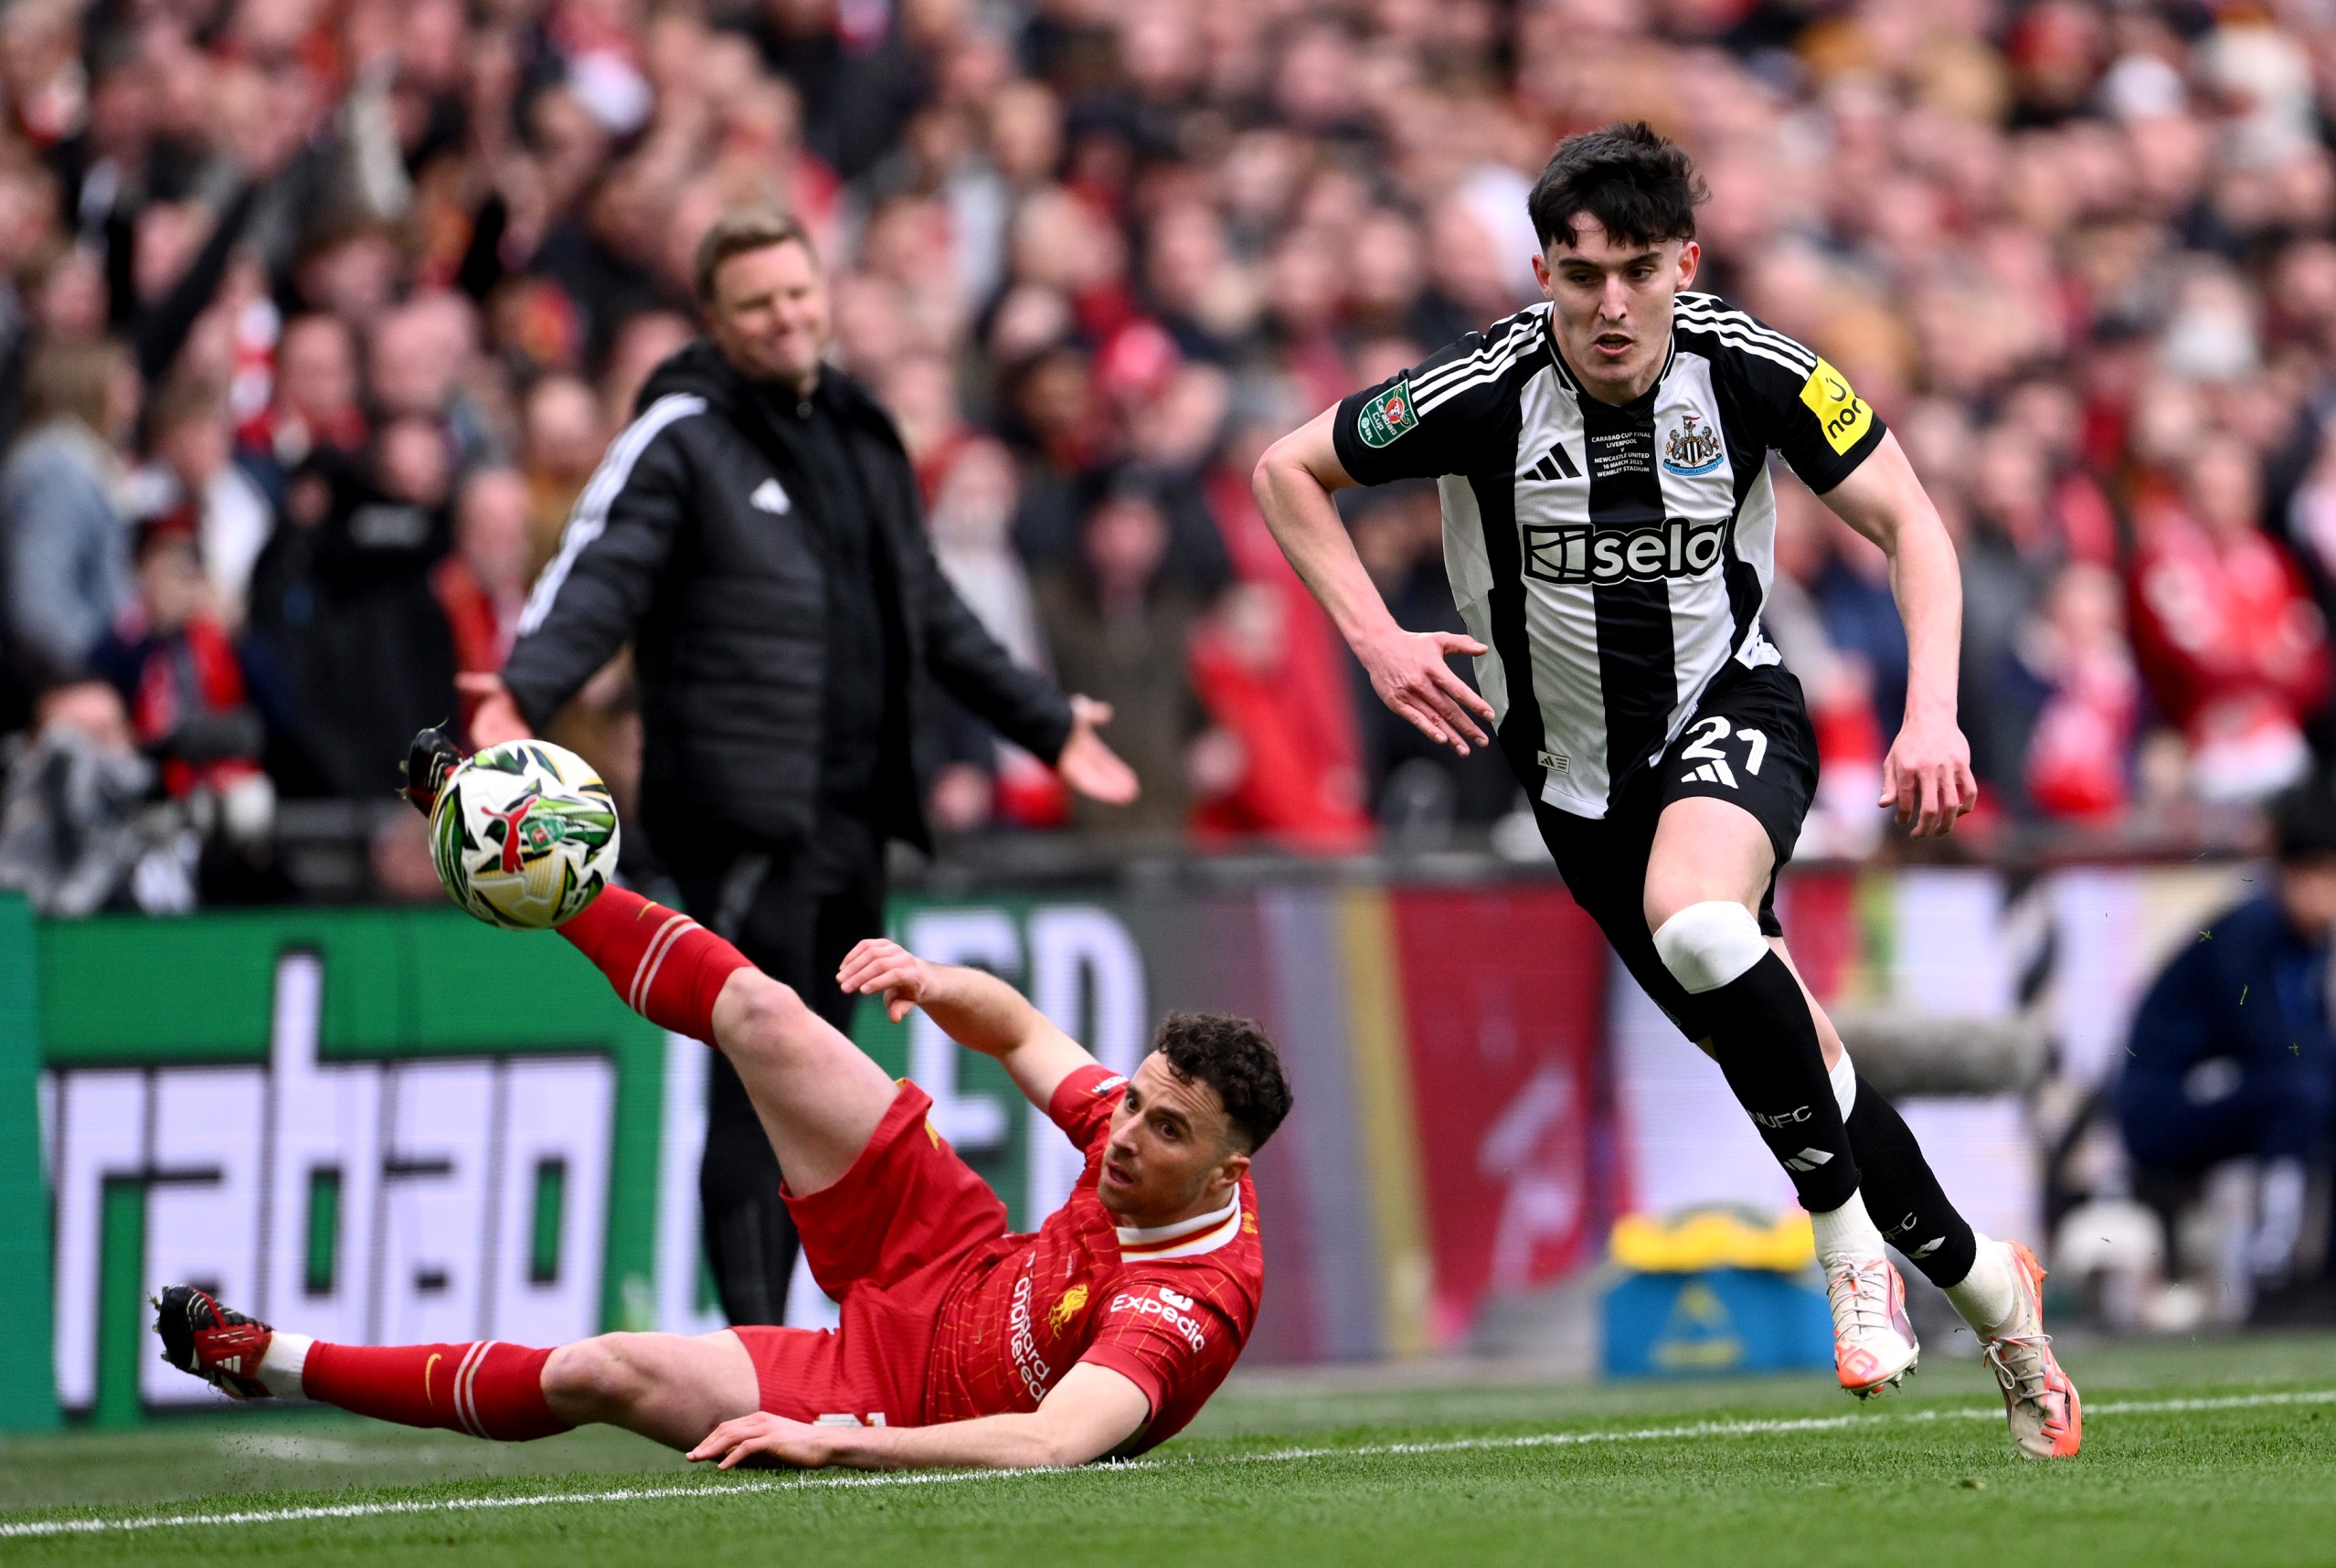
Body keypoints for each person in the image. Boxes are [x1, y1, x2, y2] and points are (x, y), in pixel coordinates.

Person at [1252, 122, 2079, 1459]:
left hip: (1733, 716)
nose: (1613, 306)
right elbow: (1286, 468)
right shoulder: (1481, 387)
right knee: (1793, 1063)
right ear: (1543, 273)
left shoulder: (1751, 367)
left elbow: (1914, 522)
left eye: (1640, 270)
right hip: (1575, 792)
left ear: (1685, 263)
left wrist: (1931, 710)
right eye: (1582, 277)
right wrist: (1374, 637)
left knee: (1702, 926)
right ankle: (1990, 1284)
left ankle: (1847, 1255)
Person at [154, 730, 1284, 1470]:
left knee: (605, 1371)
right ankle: (500, 826)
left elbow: (1045, 1448)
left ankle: (268, 1360)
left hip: (894, 1397)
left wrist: (837, 1445)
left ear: (1229, 1173)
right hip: (944, 1248)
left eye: (1163, 1128)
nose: (1122, 1135)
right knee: (766, 1014)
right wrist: (938, 985)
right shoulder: (1130, 1135)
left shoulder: (1190, 1304)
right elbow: (1029, 1032)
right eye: (1131, 1104)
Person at [462, 207, 1138, 1332]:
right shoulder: (682, 432)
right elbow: (602, 570)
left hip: (846, 818)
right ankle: (760, 1347)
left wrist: (1045, 722)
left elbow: (923, 603)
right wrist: (522, 690)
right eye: (757, 303)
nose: (785, 317)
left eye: (797, 293)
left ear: (824, 292)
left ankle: (823, 1343)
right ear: (715, 321)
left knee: (835, 1103)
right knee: (757, 1079)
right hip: (738, 812)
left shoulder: (863, 428)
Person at [2118, 774, 2336, 1315]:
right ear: (2294, 874)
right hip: (2166, 1107)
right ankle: (2274, 1270)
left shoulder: (2305, 943)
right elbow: (2271, 1044)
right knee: (2302, 1095)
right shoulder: (2243, 936)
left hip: (2231, 1091)